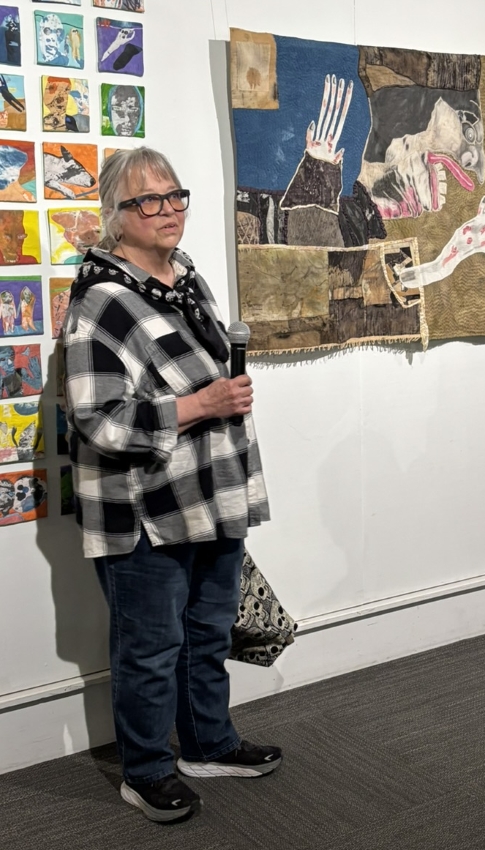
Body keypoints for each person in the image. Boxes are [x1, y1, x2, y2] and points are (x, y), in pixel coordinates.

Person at [63, 147, 279, 824]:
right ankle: (148, 770)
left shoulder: (185, 277)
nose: (167, 210)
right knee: (151, 649)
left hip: (211, 494)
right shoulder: (103, 301)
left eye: (174, 195)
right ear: (115, 214)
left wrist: (219, 400)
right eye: (146, 200)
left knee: (207, 632)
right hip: (145, 510)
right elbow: (97, 419)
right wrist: (202, 404)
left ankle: (209, 744)